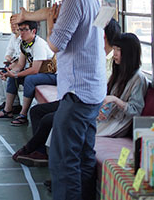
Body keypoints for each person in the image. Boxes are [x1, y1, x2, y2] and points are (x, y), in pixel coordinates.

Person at [16, 0, 106, 200]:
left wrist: (50, 21)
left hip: (78, 92)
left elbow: (56, 44)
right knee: (84, 155)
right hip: (93, 90)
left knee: (63, 159)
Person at [12, 19, 121, 167]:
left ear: (102, 35)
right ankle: (40, 151)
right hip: (74, 97)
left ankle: (31, 149)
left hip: (85, 103)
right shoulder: (93, 54)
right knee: (37, 111)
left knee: (49, 119)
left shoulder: (107, 61)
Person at [0, 20, 54, 126]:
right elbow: (20, 65)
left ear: (33, 31)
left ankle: (23, 115)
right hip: (41, 73)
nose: (22, 32)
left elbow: (35, 70)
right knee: (12, 77)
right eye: (20, 30)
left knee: (29, 79)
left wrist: (15, 74)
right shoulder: (24, 44)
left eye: (25, 30)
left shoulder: (39, 44)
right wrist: (9, 73)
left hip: (52, 75)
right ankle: (8, 110)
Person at [96, 33, 148, 137]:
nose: (114, 54)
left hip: (117, 124)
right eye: (114, 49)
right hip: (107, 119)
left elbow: (135, 110)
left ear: (129, 53)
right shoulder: (120, 72)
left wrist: (115, 100)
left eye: (118, 50)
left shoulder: (138, 79)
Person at [0, 18, 21, 111]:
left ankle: (15, 103)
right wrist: (8, 58)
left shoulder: (24, 38)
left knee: (7, 75)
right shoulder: (13, 38)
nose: (13, 27)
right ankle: (4, 101)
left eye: (15, 24)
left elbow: (22, 58)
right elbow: (8, 52)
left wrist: (12, 64)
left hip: (24, 65)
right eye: (11, 25)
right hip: (15, 63)